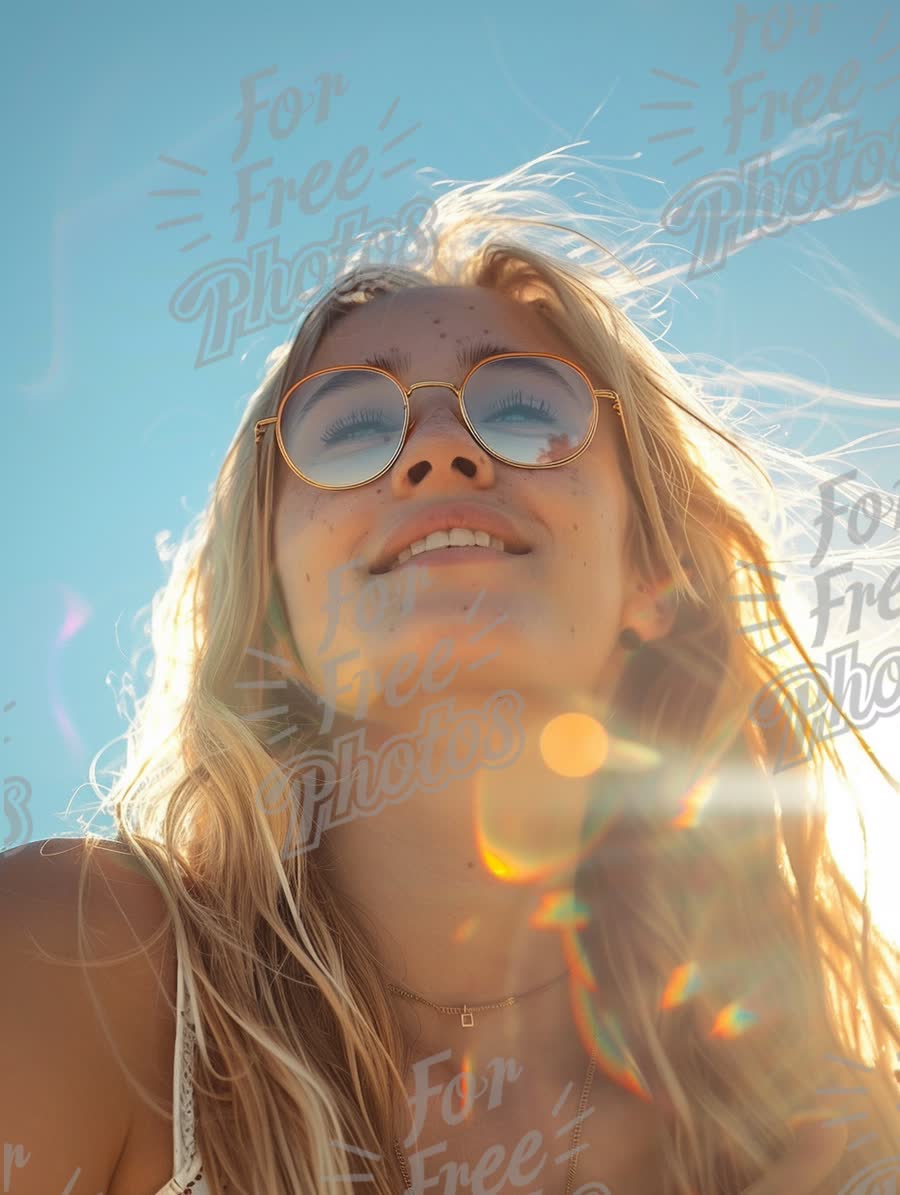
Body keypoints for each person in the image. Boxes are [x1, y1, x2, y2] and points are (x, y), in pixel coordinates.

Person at [2, 154, 899, 1195]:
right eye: (349, 428)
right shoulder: (79, 961)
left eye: (522, 409)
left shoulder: (834, 1134)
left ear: (650, 571)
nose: (436, 452)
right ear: (279, 618)